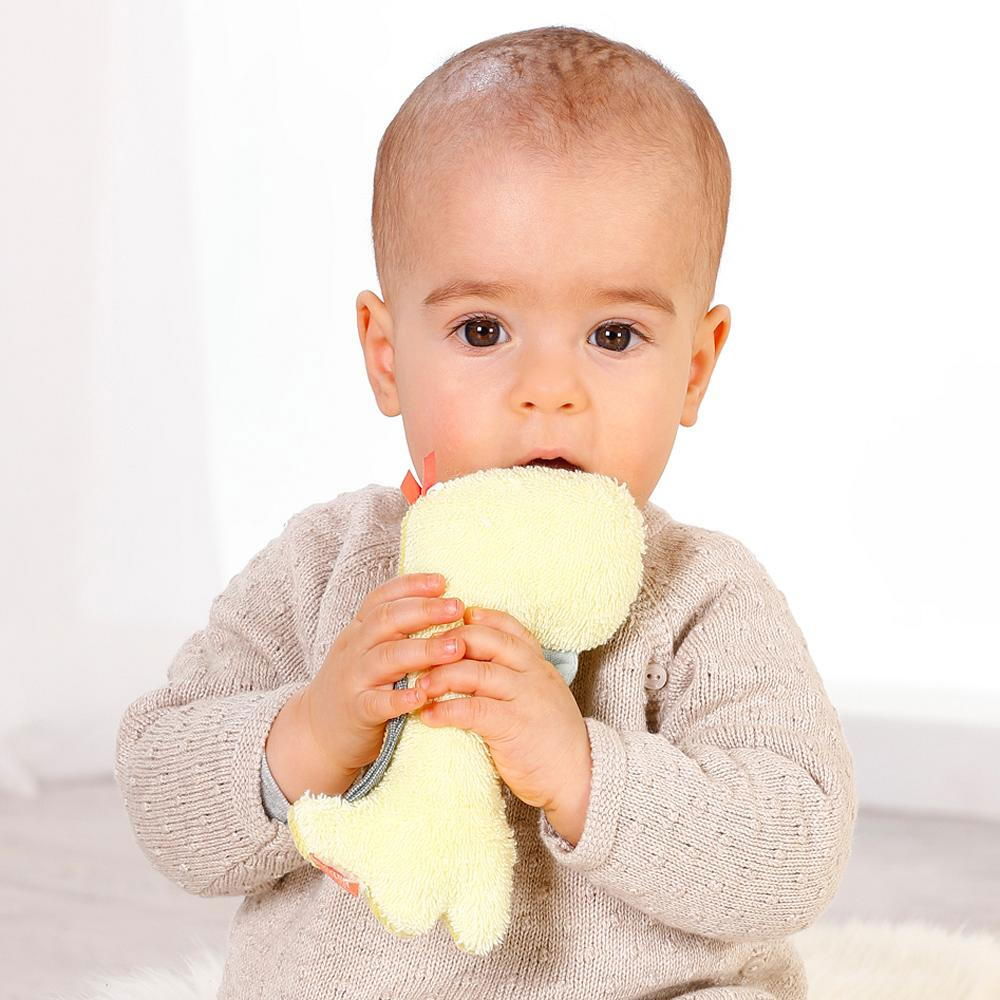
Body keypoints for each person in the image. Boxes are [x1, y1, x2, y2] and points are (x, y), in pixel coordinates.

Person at [115, 25, 857, 1000]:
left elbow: (795, 845)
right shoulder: (323, 564)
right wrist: (311, 733)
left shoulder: (702, 596)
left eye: (613, 335)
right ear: (386, 355)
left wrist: (585, 771)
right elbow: (163, 790)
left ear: (694, 367)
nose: (548, 389)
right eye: (481, 329)